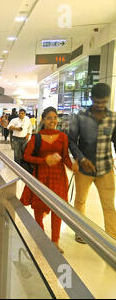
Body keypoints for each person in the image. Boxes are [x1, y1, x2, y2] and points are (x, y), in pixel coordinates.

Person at [68, 83, 116, 242]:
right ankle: (81, 232)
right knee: (80, 201)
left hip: (106, 168)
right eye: (97, 102)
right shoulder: (80, 117)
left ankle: (112, 239)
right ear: (91, 99)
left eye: (103, 102)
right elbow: (72, 141)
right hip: (84, 169)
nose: (100, 105)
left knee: (109, 206)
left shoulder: (113, 118)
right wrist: (80, 158)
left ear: (108, 99)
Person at [20, 107, 72, 253]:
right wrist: (44, 160)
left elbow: (65, 156)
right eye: (49, 117)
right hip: (41, 175)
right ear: (43, 119)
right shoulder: (36, 137)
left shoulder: (62, 137)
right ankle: (41, 236)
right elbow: (26, 156)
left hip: (58, 177)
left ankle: (55, 241)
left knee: (58, 209)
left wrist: (72, 167)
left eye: (55, 117)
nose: (52, 120)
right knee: (39, 207)